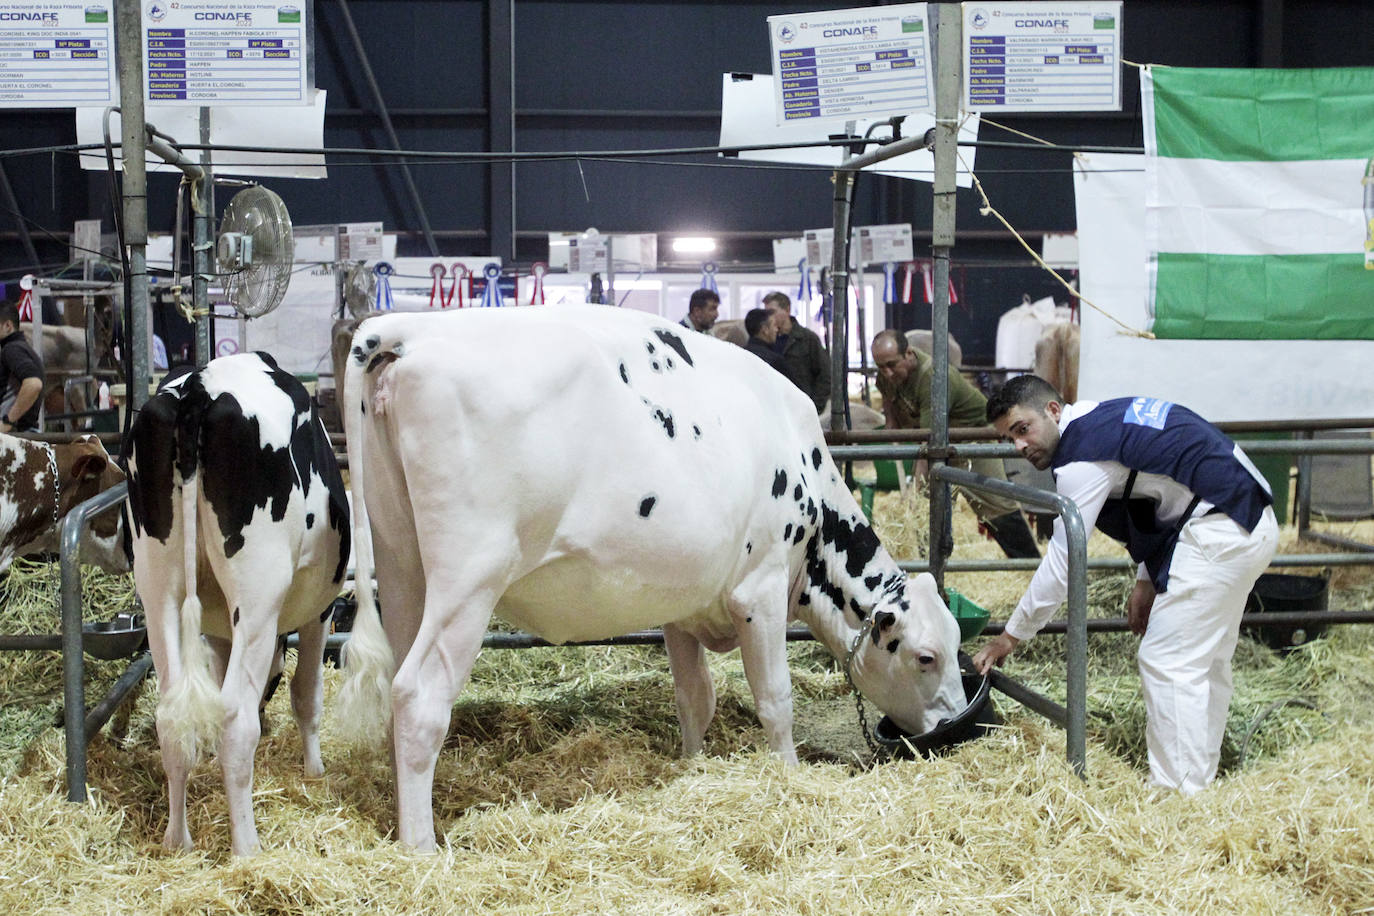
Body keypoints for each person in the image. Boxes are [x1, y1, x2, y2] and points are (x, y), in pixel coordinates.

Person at [973, 375, 1279, 796]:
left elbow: (1065, 561)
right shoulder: (1100, 419)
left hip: (1220, 528)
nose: (1020, 447)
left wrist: (1010, 637)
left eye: (1022, 429)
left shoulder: (1081, 458)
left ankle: (1178, 794)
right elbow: (1160, 491)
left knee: (1169, 660)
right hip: (1242, 518)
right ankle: (1199, 778)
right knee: (1204, 661)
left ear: (1053, 411)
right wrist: (1147, 579)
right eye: (1009, 439)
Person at [870, 328, 1039, 558]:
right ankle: (932, 569)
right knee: (930, 509)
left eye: (891, 365)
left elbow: (929, 439)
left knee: (995, 504)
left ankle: (1028, 564)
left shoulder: (932, 378)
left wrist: (918, 481)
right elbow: (888, 394)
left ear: (909, 354)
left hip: (972, 438)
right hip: (941, 439)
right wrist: (891, 424)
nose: (887, 373)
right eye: (881, 367)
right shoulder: (887, 375)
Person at [762, 291, 830, 414]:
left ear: (787, 310)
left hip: (800, 407)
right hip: (774, 407)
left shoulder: (807, 339)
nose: (769, 317)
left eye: (773, 312)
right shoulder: (766, 340)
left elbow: (825, 374)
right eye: (766, 313)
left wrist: (815, 406)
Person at [0, 300, 44, 434]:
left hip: (13, 439)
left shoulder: (12, 349)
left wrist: (8, 421)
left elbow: (33, 384)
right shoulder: (23, 348)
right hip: (23, 435)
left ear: (8, 326)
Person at [743, 308, 789, 377]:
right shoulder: (775, 361)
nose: (777, 329)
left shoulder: (741, 355)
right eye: (774, 325)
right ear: (765, 329)